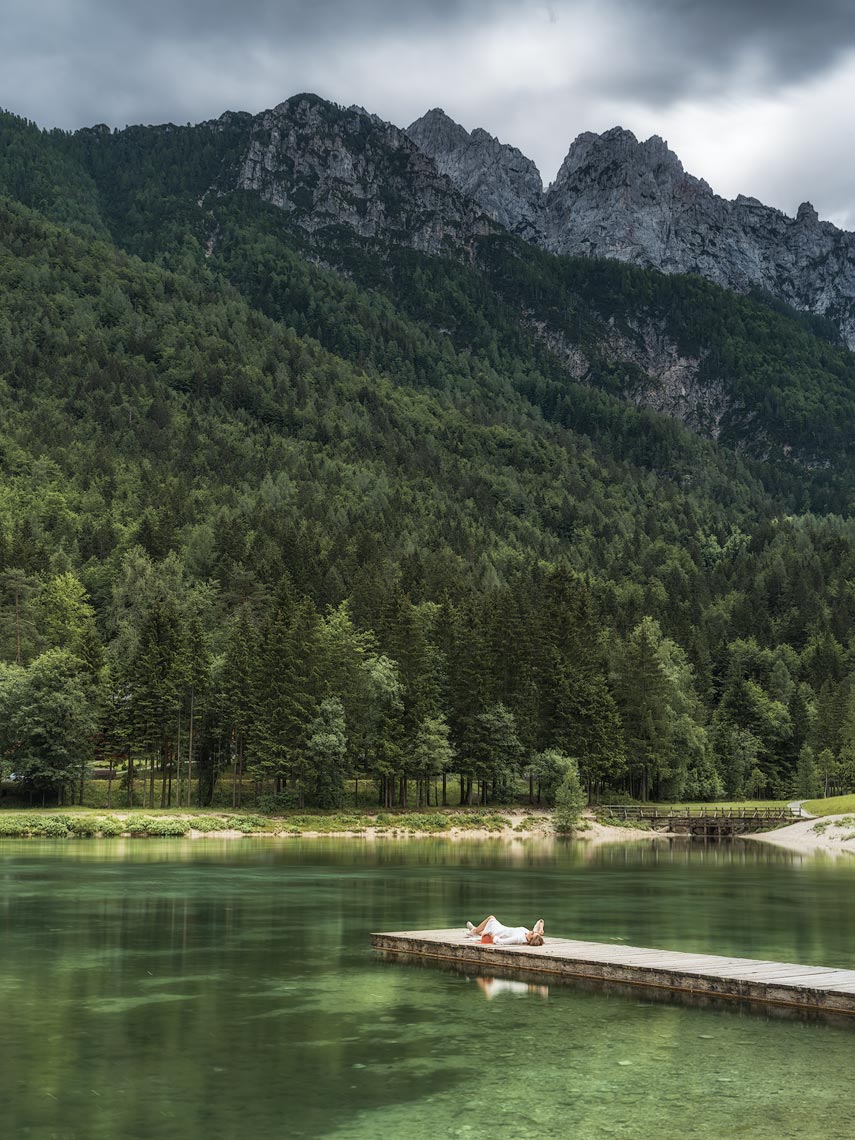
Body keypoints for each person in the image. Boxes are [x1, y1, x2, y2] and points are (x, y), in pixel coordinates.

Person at [464, 915, 545, 947]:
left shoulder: (519, 938)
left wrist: (493, 936)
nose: (533, 932)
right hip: (503, 928)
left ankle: (474, 931)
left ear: (530, 939)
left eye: (533, 934)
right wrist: (541, 928)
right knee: (484, 930)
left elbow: (500, 942)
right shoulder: (528, 933)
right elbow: (540, 921)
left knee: (491, 918)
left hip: (499, 932)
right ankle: (476, 930)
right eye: (535, 932)